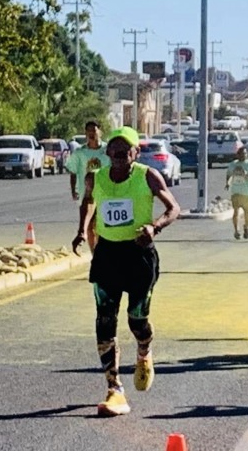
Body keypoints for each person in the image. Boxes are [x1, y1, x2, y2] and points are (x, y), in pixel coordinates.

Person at [72, 127, 180, 417]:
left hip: (139, 255)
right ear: (107, 153)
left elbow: (174, 208)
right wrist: (82, 231)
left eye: (125, 152)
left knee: (137, 320)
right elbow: (88, 201)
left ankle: (144, 350)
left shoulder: (147, 175)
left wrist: (154, 227)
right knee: (104, 320)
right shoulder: (96, 177)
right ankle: (114, 389)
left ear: (136, 153)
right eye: (114, 151)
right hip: (107, 254)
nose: (119, 156)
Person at [65, 120, 109, 251]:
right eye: (88, 131)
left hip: (105, 194)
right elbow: (73, 172)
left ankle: (103, 251)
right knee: (89, 226)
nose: (91, 134)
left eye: (94, 131)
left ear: (100, 132)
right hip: (87, 194)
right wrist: (74, 190)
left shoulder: (107, 150)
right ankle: (94, 253)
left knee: (102, 225)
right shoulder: (80, 152)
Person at [225, 146, 248, 240]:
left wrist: (247, 175)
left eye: (244, 154)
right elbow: (229, 174)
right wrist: (227, 183)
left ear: (247, 154)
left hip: (247, 192)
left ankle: (246, 227)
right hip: (236, 192)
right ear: (237, 155)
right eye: (240, 154)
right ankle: (236, 231)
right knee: (235, 211)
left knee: (247, 212)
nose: (242, 156)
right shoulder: (233, 164)